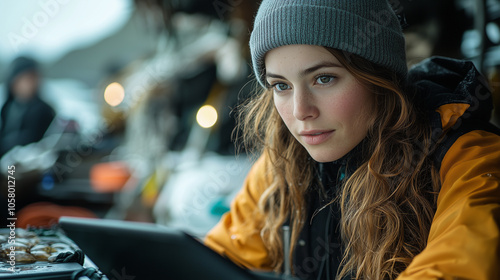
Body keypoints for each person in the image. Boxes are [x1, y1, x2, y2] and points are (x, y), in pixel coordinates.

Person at [203, 0, 500, 279]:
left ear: (379, 77)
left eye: (324, 78)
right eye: (281, 85)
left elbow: (461, 264)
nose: (300, 111)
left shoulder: (465, 158)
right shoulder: (283, 163)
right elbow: (216, 263)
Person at [0, 56, 55, 157]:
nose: (31, 83)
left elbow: (33, 139)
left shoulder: (44, 110)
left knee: (11, 172)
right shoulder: (7, 108)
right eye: (26, 78)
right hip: (6, 162)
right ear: (13, 81)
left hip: (26, 167)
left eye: (34, 78)